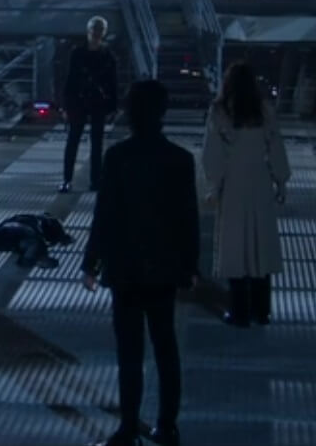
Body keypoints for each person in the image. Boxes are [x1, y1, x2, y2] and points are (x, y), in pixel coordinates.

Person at [81, 81, 198, 446]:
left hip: (125, 266)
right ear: (163, 112)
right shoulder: (180, 159)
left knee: (129, 352)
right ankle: (167, 425)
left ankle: (129, 428)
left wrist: (91, 262)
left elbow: (105, 215)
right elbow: (188, 219)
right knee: (166, 347)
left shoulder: (117, 157)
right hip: (163, 266)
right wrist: (189, 266)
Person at [202, 62, 290, 328]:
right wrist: (281, 181)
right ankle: (262, 311)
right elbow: (276, 147)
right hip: (260, 182)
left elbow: (213, 153)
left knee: (234, 245)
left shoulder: (219, 111)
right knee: (260, 243)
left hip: (234, 183)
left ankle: (239, 311)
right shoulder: (265, 110)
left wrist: (213, 186)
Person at [60, 16, 120, 193]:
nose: (96, 33)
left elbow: (113, 83)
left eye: (99, 30)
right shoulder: (80, 53)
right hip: (80, 101)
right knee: (74, 140)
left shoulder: (106, 55)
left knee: (95, 143)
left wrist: (113, 106)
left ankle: (94, 180)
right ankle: (68, 179)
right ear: (89, 30)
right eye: (95, 29)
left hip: (96, 102)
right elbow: (70, 80)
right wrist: (66, 105)